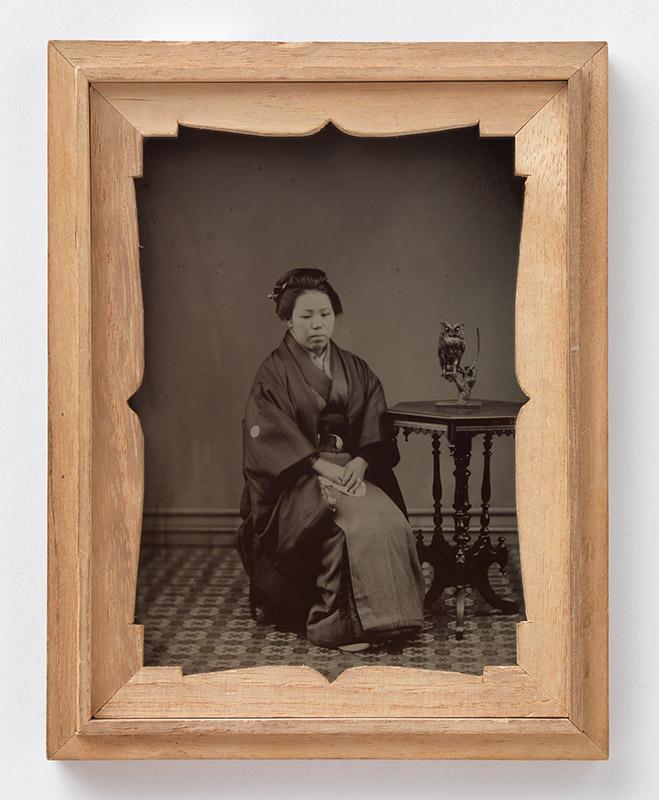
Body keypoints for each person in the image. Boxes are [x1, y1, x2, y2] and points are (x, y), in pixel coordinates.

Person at [235, 268, 425, 651]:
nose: (317, 324)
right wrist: (320, 467)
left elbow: (374, 419)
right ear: (288, 320)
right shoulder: (273, 372)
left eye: (324, 314)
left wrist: (360, 464)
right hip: (299, 475)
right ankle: (334, 626)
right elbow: (269, 434)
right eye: (305, 317)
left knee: (386, 519)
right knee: (346, 527)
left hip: (351, 469)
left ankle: (392, 621)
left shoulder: (354, 367)